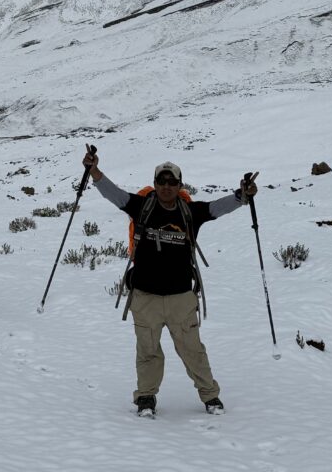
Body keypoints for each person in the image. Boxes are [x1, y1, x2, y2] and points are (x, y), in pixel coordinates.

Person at [82, 146, 257, 418]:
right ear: (154, 184)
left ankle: (210, 395)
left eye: (172, 182)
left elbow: (218, 207)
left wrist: (242, 195)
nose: (166, 186)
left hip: (181, 298)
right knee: (148, 351)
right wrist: (94, 171)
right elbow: (112, 193)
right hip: (145, 297)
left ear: (179, 185)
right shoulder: (141, 206)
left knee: (193, 350)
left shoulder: (191, 212)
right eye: (161, 181)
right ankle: (146, 397)